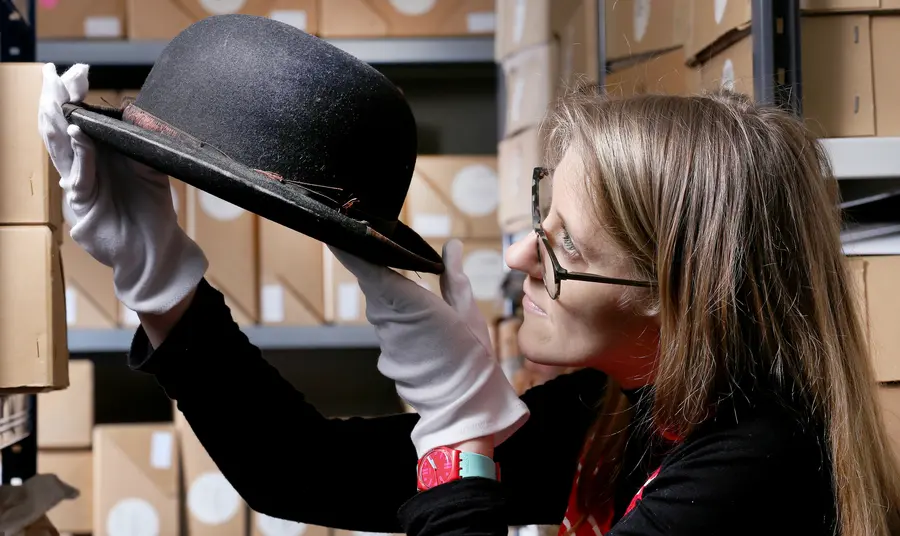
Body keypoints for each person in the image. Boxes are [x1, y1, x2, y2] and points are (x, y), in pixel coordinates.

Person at [39, 62, 900, 536]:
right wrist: (159, 278)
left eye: (563, 248)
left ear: (677, 295)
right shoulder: (624, 404)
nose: (520, 255)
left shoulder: (754, 472)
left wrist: (458, 427)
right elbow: (301, 472)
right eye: (539, 221)